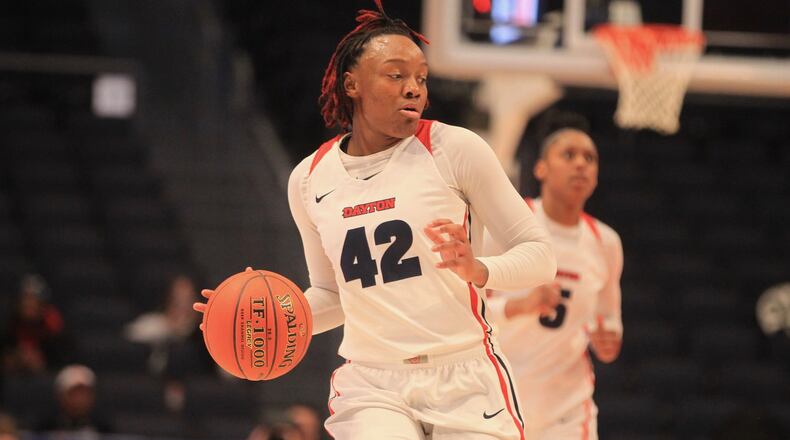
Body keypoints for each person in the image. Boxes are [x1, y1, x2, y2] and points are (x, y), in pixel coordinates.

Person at [194, 2, 556, 438]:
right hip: (373, 384)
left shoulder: (455, 149)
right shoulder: (308, 179)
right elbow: (332, 295)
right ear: (352, 84)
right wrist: (263, 315)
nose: (414, 89)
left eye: (421, 78)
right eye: (396, 74)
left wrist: (479, 269)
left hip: (464, 375)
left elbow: (539, 256)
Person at [484, 127, 623, 440]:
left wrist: (609, 340)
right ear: (541, 168)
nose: (580, 164)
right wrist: (522, 306)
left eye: (590, 158)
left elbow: (610, 317)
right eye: (569, 155)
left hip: (568, 411)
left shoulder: (606, 242)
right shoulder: (507, 224)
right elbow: (464, 312)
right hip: (498, 398)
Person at [125, 273, 213, 411]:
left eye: (188, 299)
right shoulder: (154, 324)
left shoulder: (205, 332)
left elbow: (227, 375)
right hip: (156, 386)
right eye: (177, 298)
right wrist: (170, 328)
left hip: (196, 392)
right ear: (168, 298)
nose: (183, 304)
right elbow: (129, 338)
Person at [1, 273, 69, 374]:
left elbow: (63, 363)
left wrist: (42, 361)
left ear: (43, 304)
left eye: (33, 300)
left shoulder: (55, 326)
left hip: (45, 380)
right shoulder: (7, 324)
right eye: (25, 299)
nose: (29, 304)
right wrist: (13, 358)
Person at [36, 364, 114, 437]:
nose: (79, 399)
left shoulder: (104, 428)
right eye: (74, 393)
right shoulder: (45, 427)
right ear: (60, 396)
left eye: (84, 393)